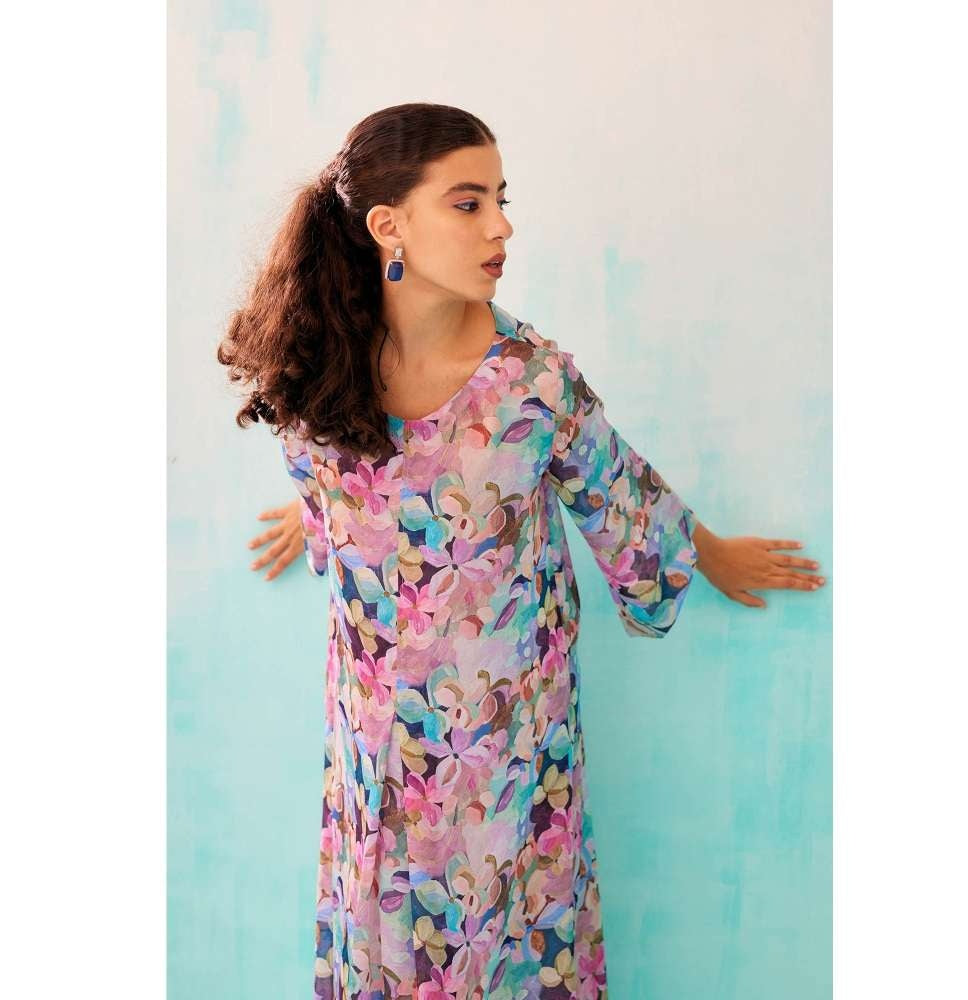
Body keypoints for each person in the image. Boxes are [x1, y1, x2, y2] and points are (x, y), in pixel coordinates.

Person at [218, 102, 824, 1000]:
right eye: (468, 203)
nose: (501, 226)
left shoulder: (530, 383)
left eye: (502, 199)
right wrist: (320, 517)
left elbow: (619, 491)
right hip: (380, 755)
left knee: (521, 959)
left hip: (514, 758)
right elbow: (375, 490)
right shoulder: (316, 370)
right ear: (388, 225)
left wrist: (709, 553)